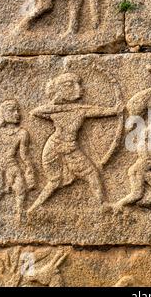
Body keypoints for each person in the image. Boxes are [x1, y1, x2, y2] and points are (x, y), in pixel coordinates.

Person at [28, 73, 121, 212]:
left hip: (70, 148)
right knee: (55, 181)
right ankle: (34, 207)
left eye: (79, 85)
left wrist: (116, 110)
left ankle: (103, 205)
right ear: (63, 89)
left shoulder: (81, 110)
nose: (79, 89)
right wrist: (58, 107)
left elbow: (104, 111)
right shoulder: (57, 110)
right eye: (73, 85)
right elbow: (36, 112)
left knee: (91, 174)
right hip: (54, 147)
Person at [0, 100, 35, 216]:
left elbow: (24, 154)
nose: (17, 114)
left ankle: (21, 213)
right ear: (3, 114)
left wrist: (29, 168)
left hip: (12, 163)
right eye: (12, 110)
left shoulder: (22, 133)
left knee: (21, 189)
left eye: (17, 110)